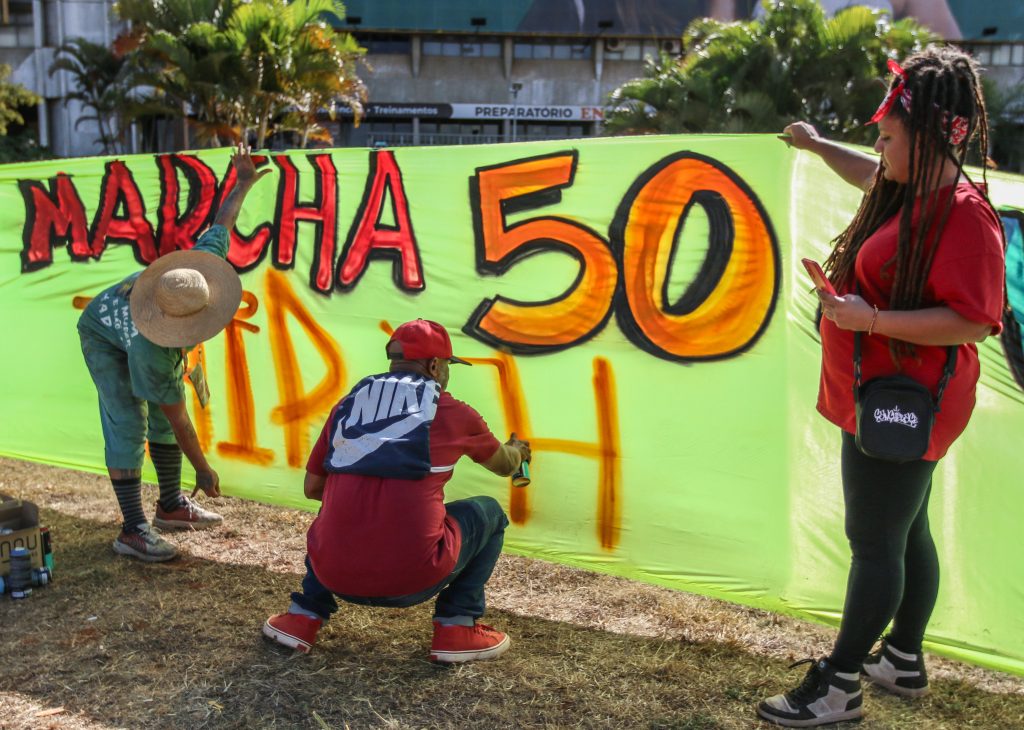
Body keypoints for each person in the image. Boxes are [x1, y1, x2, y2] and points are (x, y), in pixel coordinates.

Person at [758, 46, 1005, 727]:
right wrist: (813, 146)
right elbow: (870, 173)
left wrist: (870, 318)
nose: (878, 144)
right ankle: (901, 659)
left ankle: (838, 684)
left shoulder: (963, 215)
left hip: (904, 402)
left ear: (927, 139)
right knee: (906, 528)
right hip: (884, 392)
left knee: (873, 542)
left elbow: (974, 321)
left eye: (889, 134)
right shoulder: (914, 187)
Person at [263, 319, 531, 663]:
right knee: (490, 513)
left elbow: (313, 488)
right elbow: (505, 465)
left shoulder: (348, 407)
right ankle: (457, 627)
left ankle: (302, 617)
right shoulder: (452, 412)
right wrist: (519, 450)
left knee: (337, 507)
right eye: (448, 366)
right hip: (413, 578)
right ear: (435, 366)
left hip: (333, 570)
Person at [77, 143, 268, 563]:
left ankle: (170, 506)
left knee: (162, 416)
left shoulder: (197, 269)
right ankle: (132, 530)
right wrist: (203, 469)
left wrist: (242, 183)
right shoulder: (152, 348)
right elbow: (180, 420)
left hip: (132, 325)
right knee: (129, 421)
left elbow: (223, 222)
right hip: (102, 333)